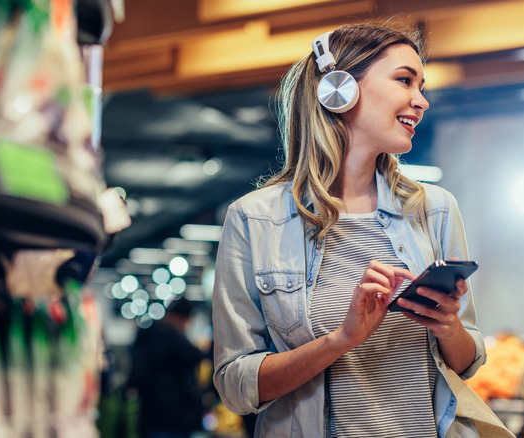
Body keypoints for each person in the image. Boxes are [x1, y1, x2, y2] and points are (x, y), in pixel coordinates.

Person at [211, 23, 487, 437]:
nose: (422, 101)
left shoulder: (435, 209)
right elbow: (235, 386)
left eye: (421, 85)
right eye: (404, 80)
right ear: (339, 89)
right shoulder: (254, 220)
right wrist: (341, 339)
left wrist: (449, 325)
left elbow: (467, 364)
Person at [128, 298, 205, 438]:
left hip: (149, 413)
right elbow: (195, 355)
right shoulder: (170, 334)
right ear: (182, 318)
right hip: (172, 416)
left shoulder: (147, 332)